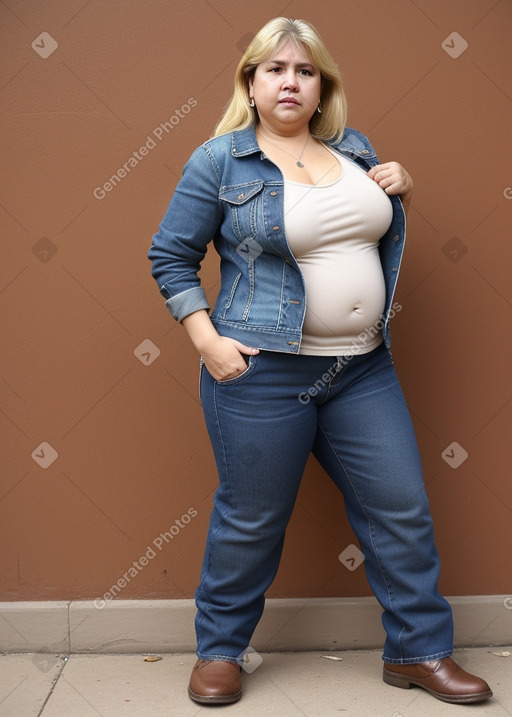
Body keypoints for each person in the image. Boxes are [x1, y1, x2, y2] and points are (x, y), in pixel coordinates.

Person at [148, 17, 493, 707]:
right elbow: (169, 255)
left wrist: (399, 188)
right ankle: (220, 650)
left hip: (362, 369)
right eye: (275, 69)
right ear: (251, 81)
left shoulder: (356, 151)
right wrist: (208, 340)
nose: (290, 82)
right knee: (251, 519)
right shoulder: (218, 161)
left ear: (321, 87)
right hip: (263, 372)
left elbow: (357, 232)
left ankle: (418, 651)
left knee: (400, 508)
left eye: (306, 71)